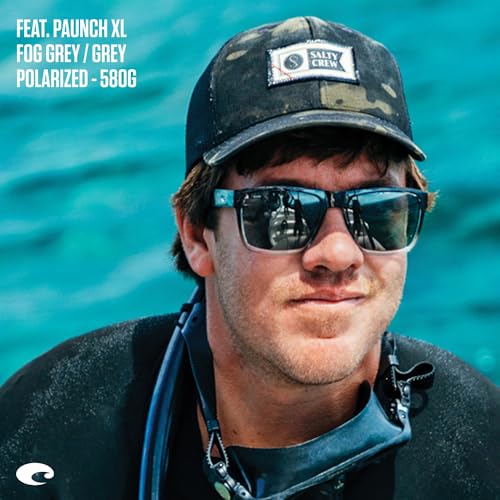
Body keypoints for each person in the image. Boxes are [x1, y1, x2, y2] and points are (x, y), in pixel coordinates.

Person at [0, 16, 499, 500]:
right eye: (281, 212)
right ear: (197, 236)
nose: (338, 253)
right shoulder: (47, 431)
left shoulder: (482, 449)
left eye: (377, 210)